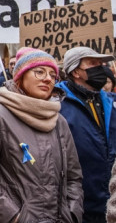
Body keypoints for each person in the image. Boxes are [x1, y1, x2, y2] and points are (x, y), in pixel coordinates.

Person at [0, 48, 83, 222]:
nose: (47, 78)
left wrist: (73, 213)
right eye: (39, 72)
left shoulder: (59, 121)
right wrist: (14, 216)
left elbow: (74, 177)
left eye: (53, 75)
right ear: (21, 76)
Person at [56, 46, 116, 223]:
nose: (101, 68)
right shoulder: (57, 104)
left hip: (111, 202)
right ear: (75, 71)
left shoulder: (111, 102)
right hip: (78, 205)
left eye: (101, 64)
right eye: (93, 63)